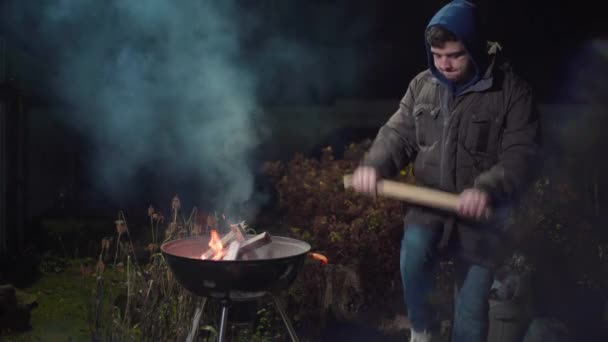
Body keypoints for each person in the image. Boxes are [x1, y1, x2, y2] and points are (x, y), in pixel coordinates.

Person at [350, 1, 541, 341]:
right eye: (437, 55)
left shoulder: (512, 91)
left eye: (454, 55)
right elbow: (397, 135)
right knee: (413, 256)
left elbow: (521, 154)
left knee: (469, 312)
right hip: (428, 207)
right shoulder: (421, 86)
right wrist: (374, 166)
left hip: (483, 217)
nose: (445, 64)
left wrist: (487, 188)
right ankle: (422, 331)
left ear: (476, 47)